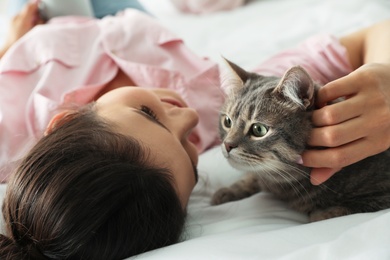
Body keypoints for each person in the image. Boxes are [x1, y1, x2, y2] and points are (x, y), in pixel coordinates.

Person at [0, 2, 389, 259]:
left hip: (48, 35)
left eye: (147, 113)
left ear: (66, 120)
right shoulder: (217, 97)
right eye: (190, 151)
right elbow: (375, 33)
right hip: (142, 20)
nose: (186, 118)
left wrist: (13, 44)